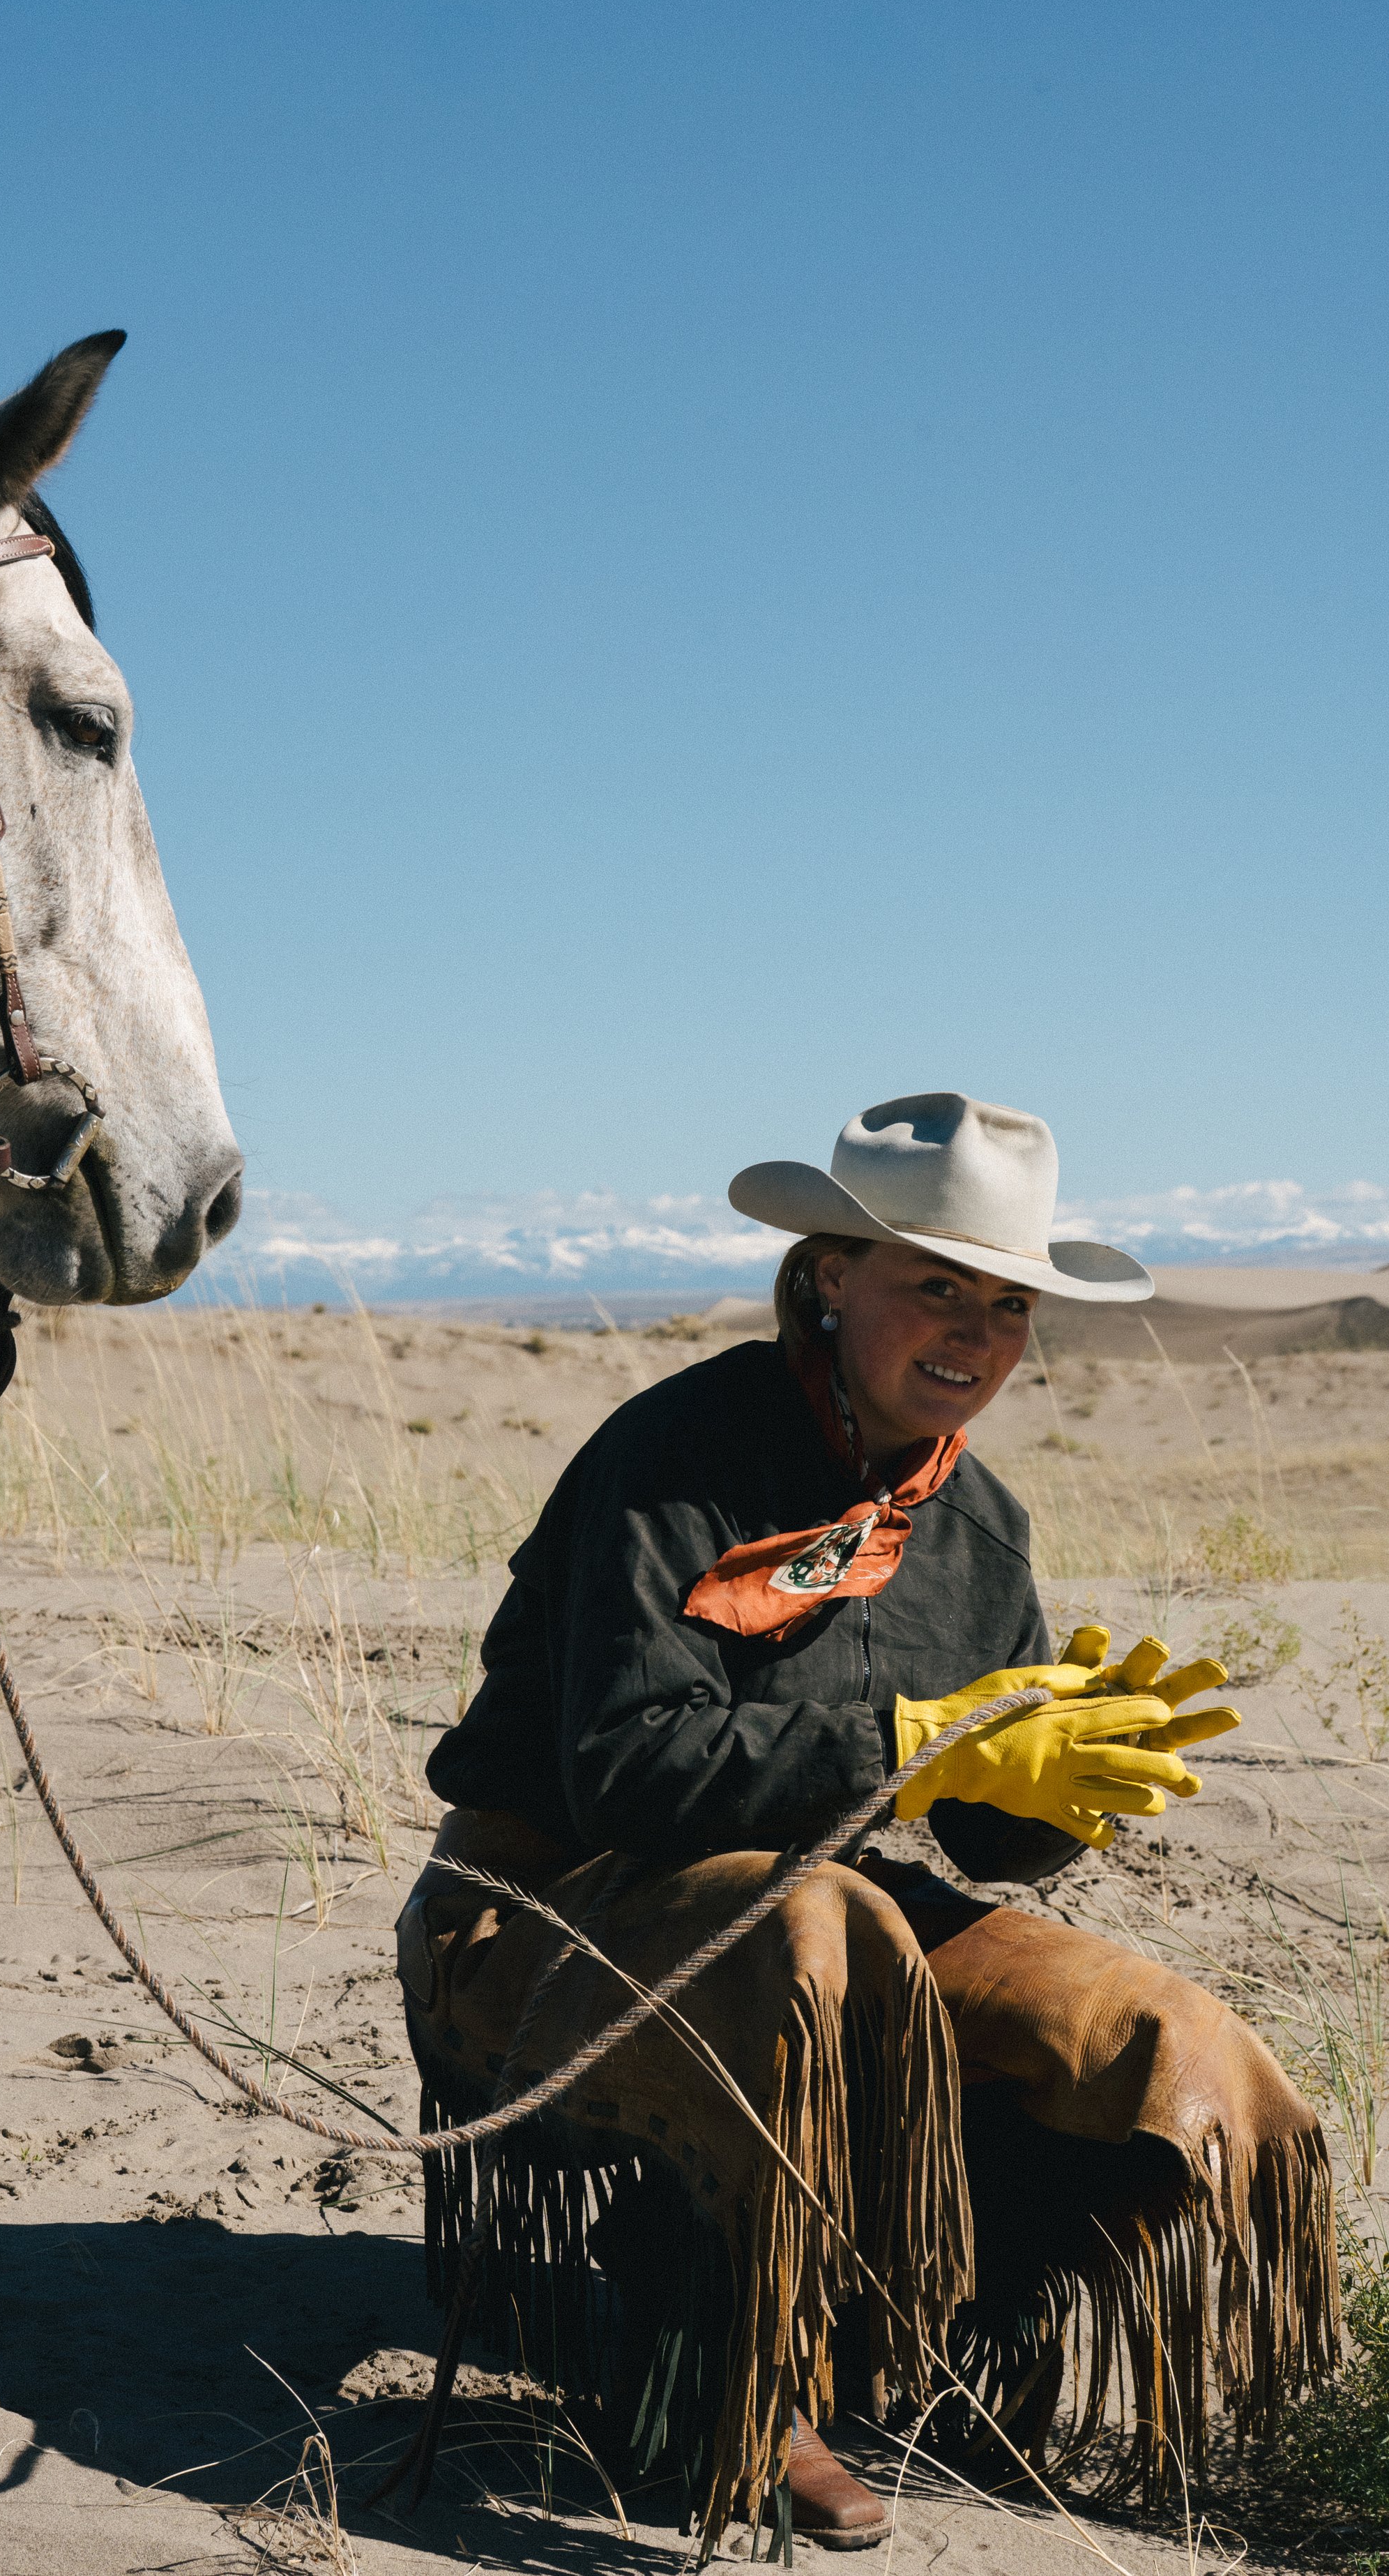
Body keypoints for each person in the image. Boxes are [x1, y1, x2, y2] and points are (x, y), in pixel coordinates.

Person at [396, 1094, 1337, 2552]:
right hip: (534, 1920)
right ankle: (740, 2372)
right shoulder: (673, 1457)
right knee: (818, 1932)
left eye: (1008, 1304)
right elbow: (623, 1774)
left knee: (1150, 2037)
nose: (976, 1334)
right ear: (830, 1275)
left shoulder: (983, 1529)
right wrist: (915, 1747)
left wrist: (1068, 1784)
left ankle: (908, 2326)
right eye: (937, 1286)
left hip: (826, 1921)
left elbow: (985, 1849)